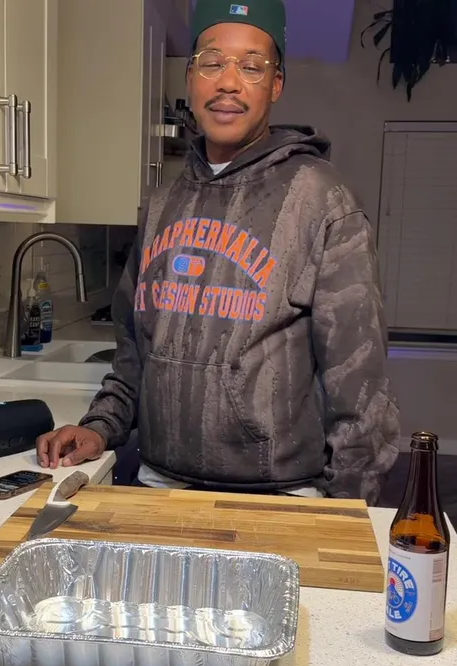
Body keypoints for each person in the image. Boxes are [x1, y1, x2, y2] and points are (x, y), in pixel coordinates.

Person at [36, 0, 400, 503]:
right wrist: (100, 426)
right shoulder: (163, 203)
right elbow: (134, 351)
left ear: (275, 85)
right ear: (190, 77)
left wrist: (349, 510)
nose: (228, 83)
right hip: (160, 484)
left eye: (251, 66)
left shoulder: (322, 200)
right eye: (212, 62)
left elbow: (358, 380)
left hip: (279, 497)